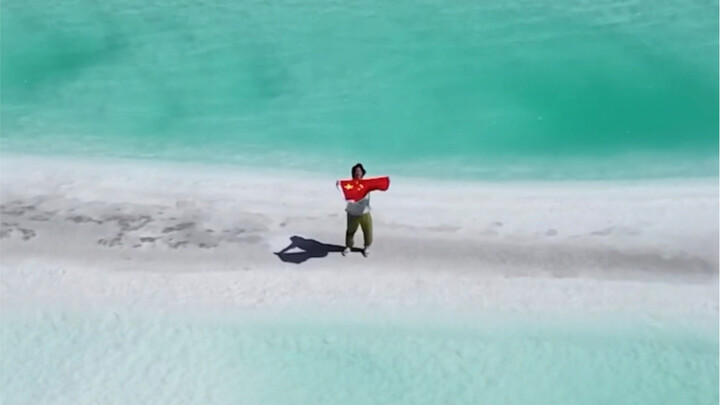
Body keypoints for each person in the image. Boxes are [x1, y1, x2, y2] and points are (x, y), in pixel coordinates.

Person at [343, 163, 372, 257]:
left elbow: (376, 185)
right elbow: (343, 190)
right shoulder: (349, 184)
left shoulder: (367, 184)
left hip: (364, 211)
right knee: (350, 231)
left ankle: (367, 247)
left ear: (362, 173)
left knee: (368, 231)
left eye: (359, 171)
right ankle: (348, 246)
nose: (357, 173)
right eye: (356, 171)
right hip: (352, 211)